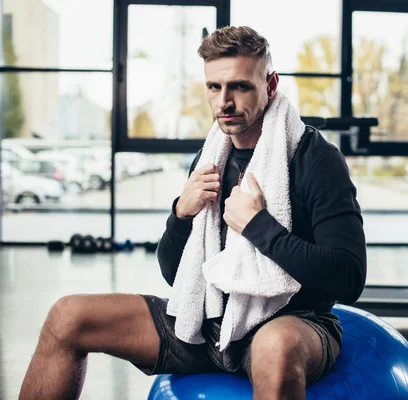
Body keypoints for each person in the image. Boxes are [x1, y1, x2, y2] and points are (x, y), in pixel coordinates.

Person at [19, 26, 366, 400]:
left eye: (240, 86)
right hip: (207, 325)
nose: (224, 102)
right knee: (68, 316)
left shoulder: (315, 159)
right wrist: (181, 213)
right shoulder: (211, 157)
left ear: (271, 84)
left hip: (293, 320)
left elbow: (349, 277)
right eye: (214, 87)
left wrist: (260, 228)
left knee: (275, 349)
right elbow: (174, 273)